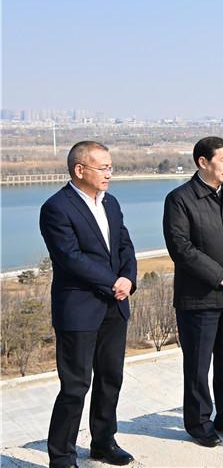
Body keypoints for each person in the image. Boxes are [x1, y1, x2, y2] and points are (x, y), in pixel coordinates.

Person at [40, 141, 137, 468]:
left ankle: (103, 443)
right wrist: (112, 282)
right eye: (103, 168)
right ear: (80, 170)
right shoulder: (56, 208)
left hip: (115, 305)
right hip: (79, 309)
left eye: (110, 167)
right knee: (75, 386)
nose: (109, 173)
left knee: (111, 378)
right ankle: (62, 457)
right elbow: (70, 258)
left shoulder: (111, 202)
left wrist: (128, 279)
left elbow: (125, 245)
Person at [163, 136, 223, 447]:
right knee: (198, 366)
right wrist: (221, 276)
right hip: (198, 299)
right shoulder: (180, 199)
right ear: (203, 162)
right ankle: (199, 423)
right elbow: (181, 248)